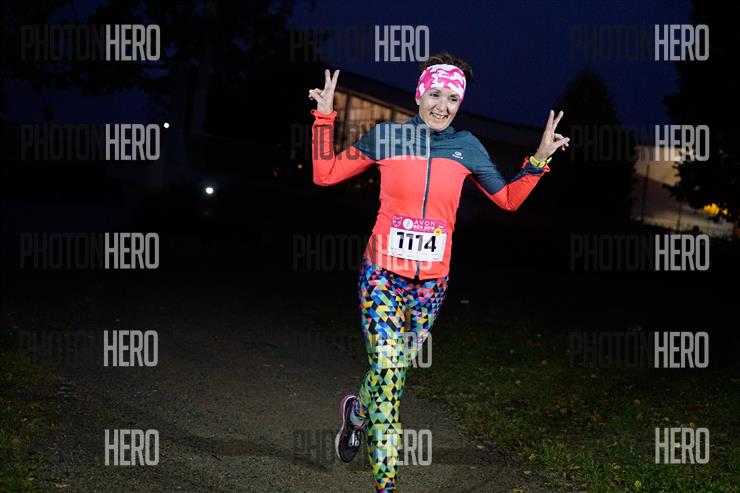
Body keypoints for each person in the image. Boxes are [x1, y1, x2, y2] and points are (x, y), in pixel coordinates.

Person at [307, 53, 569, 492]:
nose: (442, 106)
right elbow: (325, 174)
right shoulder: (388, 136)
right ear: (419, 95)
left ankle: (356, 414)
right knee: (390, 380)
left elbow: (508, 200)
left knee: (391, 374)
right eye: (435, 94)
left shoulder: (468, 147)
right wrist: (324, 117)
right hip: (382, 275)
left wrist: (538, 161)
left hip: (431, 286)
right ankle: (386, 486)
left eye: (452, 99)